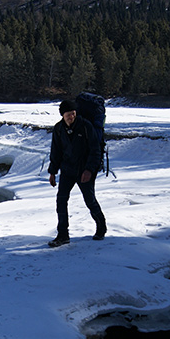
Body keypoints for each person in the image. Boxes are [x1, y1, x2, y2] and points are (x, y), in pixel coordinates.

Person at [47, 99, 107, 247]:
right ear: (62, 115)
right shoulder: (59, 129)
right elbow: (56, 152)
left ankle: (101, 226)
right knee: (61, 201)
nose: (71, 117)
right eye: (68, 114)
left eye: (73, 113)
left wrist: (89, 170)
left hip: (84, 170)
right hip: (67, 170)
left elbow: (95, 150)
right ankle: (63, 235)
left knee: (89, 200)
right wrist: (52, 172)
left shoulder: (86, 126)